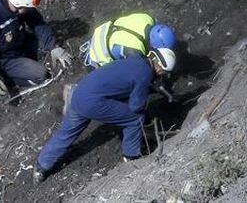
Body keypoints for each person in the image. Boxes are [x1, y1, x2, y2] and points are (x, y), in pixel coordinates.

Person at [34, 49, 176, 183]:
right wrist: (146, 93)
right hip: (93, 102)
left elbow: (122, 82)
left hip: (79, 93)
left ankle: (41, 166)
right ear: (160, 68)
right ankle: (132, 156)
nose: (163, 75)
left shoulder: (136, 59)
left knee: (67, 132)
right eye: (164, 72)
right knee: (135, 118)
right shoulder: (144, 74)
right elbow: (136, 107)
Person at [81, 11, 176, 68]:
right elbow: (133, 73)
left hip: (101, 33)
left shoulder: (148, 19)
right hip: (96, 58)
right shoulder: (134, 49)